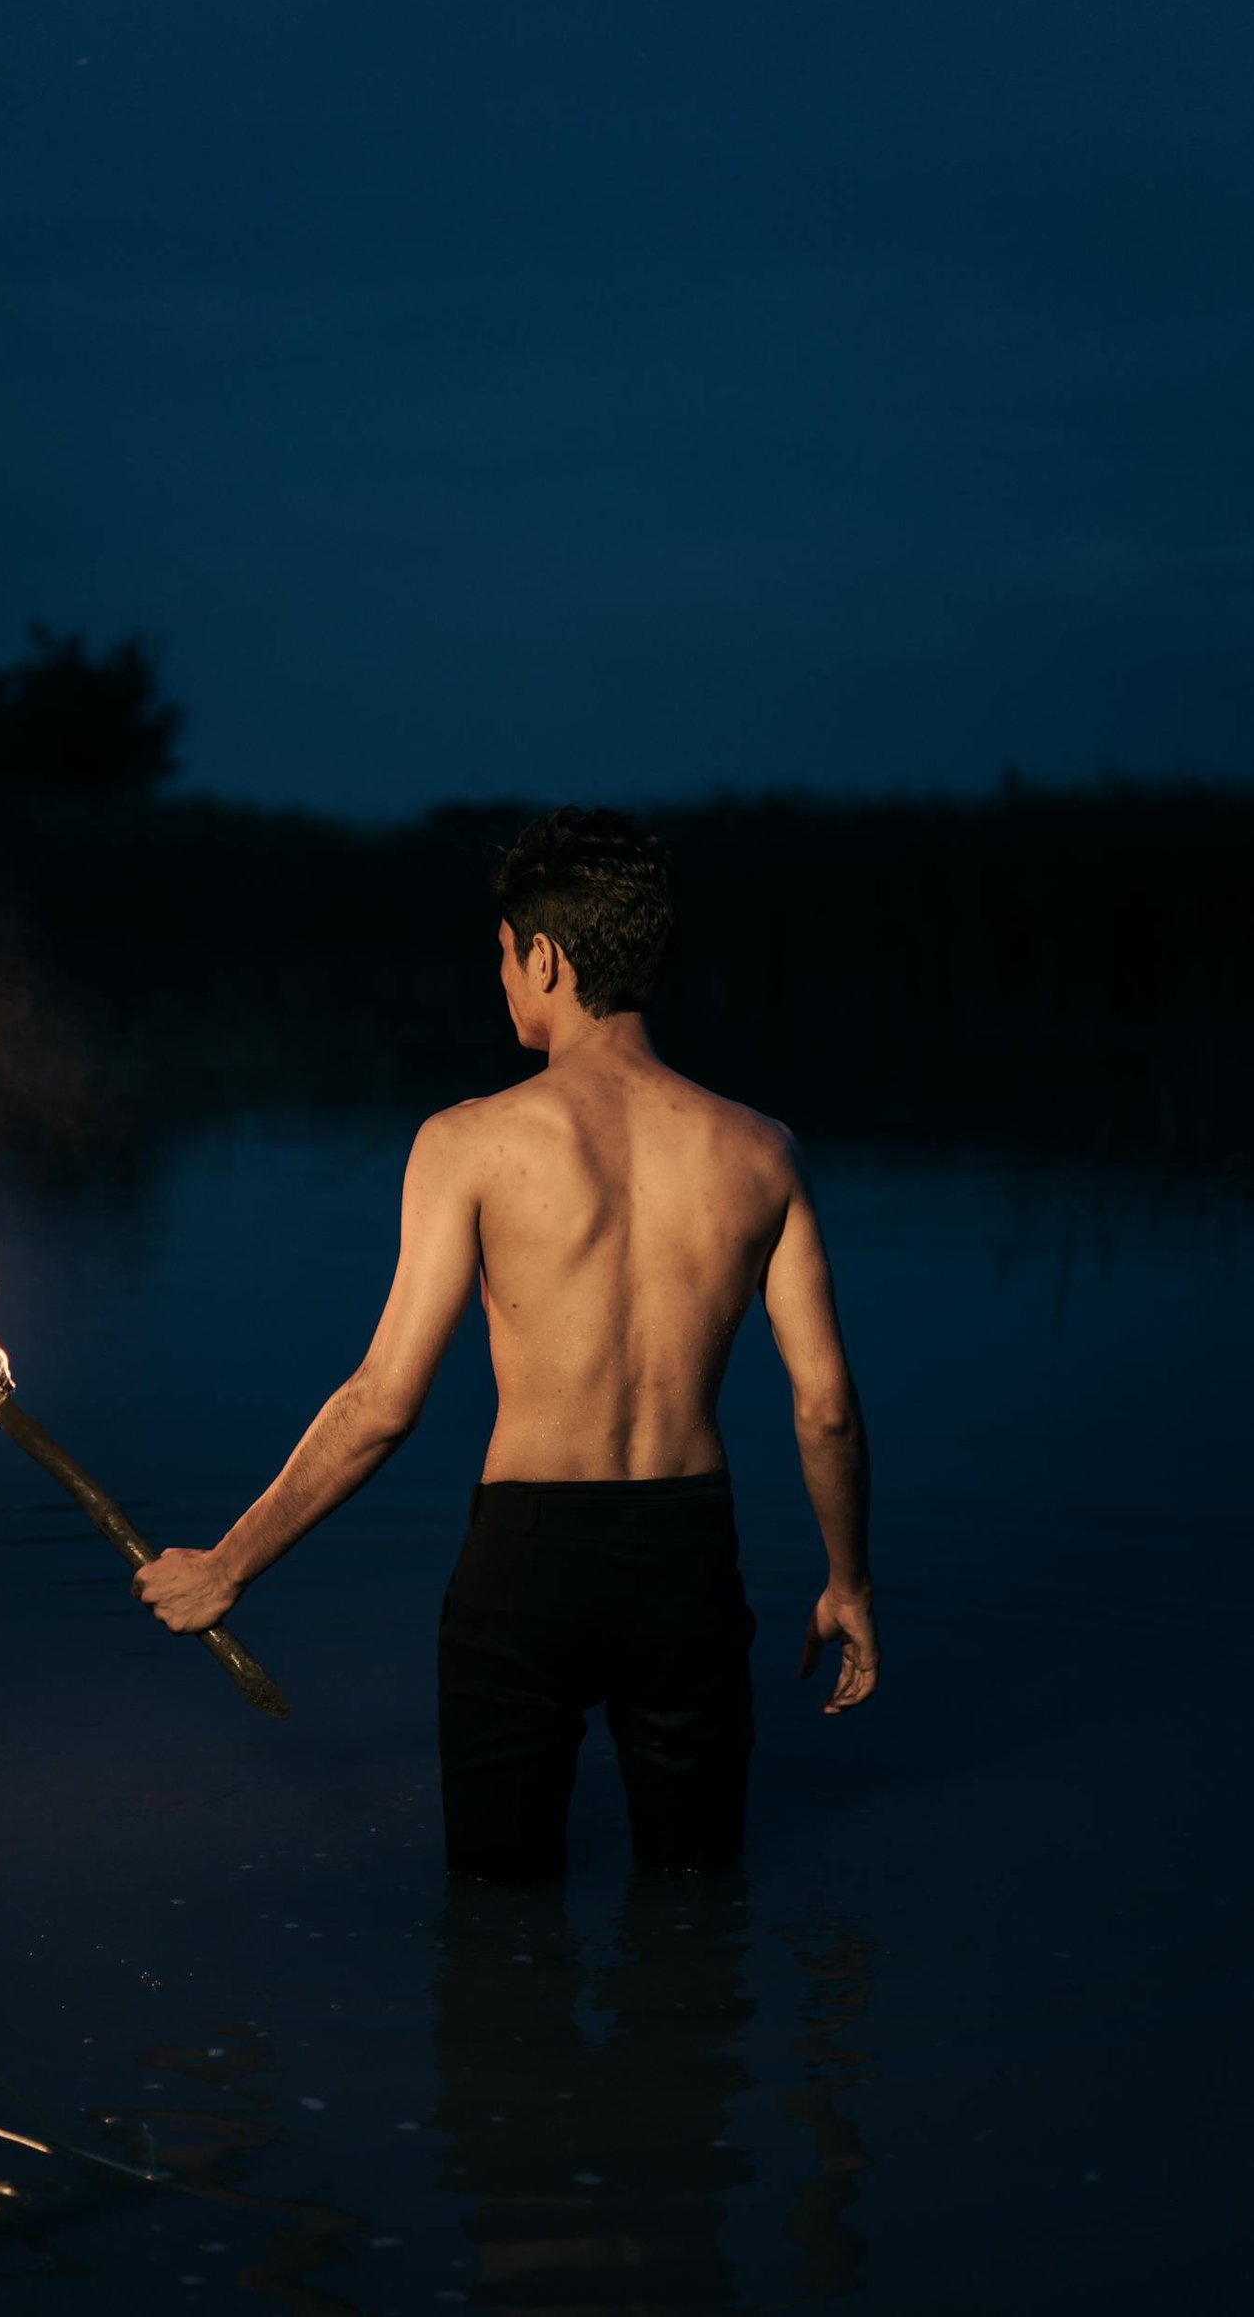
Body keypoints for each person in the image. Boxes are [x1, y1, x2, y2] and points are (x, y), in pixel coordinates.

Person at [134, 804, 877, 1881]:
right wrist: (847, 1581)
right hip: (686, 1556)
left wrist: (228, 1564)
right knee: (695, 1898)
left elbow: (385, 1399)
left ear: (546, 953)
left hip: (527, 1557)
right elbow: (827, 1407)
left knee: (499, 1910)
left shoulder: (467, 1142)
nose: (501, 978)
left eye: (502, 955)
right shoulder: (762, 1152)